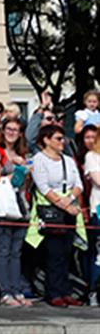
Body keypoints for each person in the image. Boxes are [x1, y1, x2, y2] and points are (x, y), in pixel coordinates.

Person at [30, 124, 84, 306]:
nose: (63, 142)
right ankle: (53, 293)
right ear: (46, 140)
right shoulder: (39, 160)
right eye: (58, 139)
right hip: (51, 212)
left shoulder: (68, 160)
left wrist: (69, 200)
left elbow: (78, 184)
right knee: (54, 254)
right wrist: (64, 205)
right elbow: (44, 187)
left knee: (67, 253)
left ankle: (66, 290)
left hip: (69, 209)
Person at [0, 117, 31, 306]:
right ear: (3, 131)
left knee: (16, 251)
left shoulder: (23, 152)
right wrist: (19, 169)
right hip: (4, 206)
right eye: (9, 129)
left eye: (16, 129)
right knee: (3, 250)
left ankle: (16, 289)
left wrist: (26, 171)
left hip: (21, 205)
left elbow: (27, 185)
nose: (12, 132)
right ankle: (5, 292)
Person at [82, 130, 100, 307]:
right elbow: (98, 180)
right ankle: (93, 290)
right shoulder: (92, 156)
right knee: (98, 254)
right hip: (99, 209)